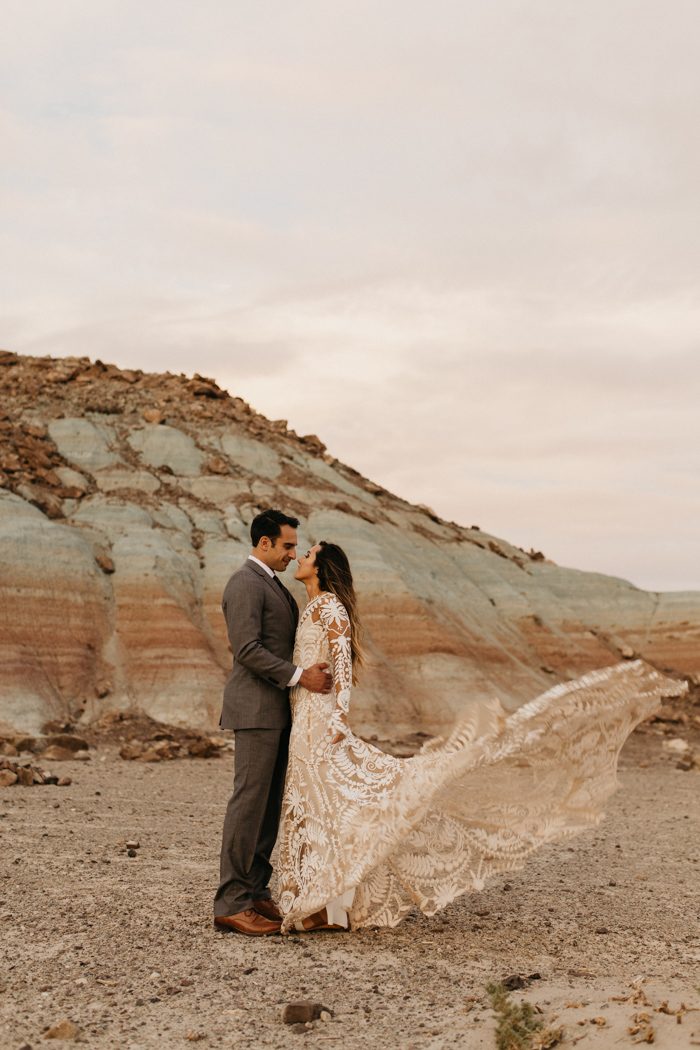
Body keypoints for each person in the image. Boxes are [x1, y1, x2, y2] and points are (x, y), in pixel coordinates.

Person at [276, 541, 686, 933]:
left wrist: (339, 718)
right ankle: (322, 905)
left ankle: (321, 904)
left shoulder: (330, 607)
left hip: (321, 718)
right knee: (315, 803)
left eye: (307, 554)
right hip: (303, 714)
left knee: (328, 802)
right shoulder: (310, 606)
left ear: (321, 568)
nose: (300, 557)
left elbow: (343, 668)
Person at [213, 510, 332, 936]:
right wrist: (301, 677)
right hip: (255, 711)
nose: (292, 553)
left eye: (294, 547)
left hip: (278, 713)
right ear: (263, 543)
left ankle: (255, 891)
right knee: (248, 805)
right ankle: (230, 902)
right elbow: (246, 649)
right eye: (286, 546)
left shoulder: (273, 584)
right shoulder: (244, 583)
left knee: (267, 809)